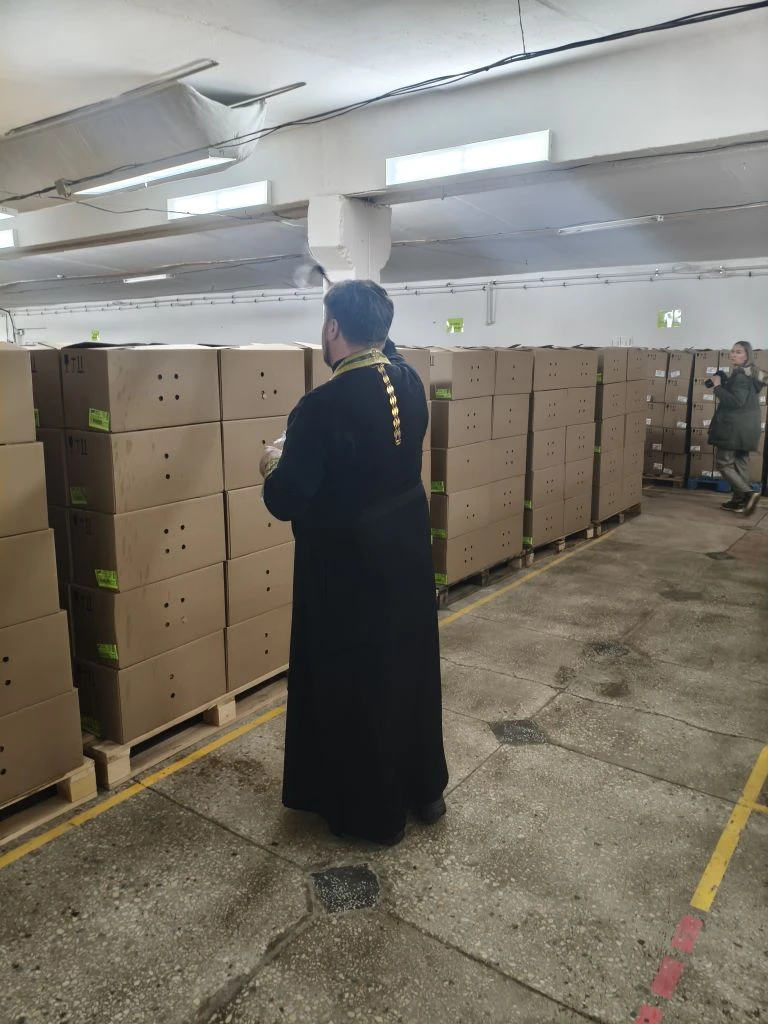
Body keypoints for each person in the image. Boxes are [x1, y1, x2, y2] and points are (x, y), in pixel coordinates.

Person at [259, 279, 448, 846]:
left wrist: (272, 461)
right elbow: (389, 357)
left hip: (348, 574)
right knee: (407, 670)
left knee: (358, 682)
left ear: (333, 327)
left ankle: (370, 812)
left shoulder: (320, 408)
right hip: (406, 559)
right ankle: (424, 790)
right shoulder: (410, 383)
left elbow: (286, 498)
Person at [707, 340, 766, 516]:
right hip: (746, 427)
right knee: (741, 462)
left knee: (724, 463)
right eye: (732, 351)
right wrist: (725, 383)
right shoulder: (748, 375)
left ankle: (748, 494)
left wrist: (718, 387)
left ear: (747, 355)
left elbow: (735, 401)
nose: (733, 354)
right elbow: (741, 398)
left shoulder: (741, 377)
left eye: (739, 352)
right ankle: (739, 500)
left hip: (734, 428)